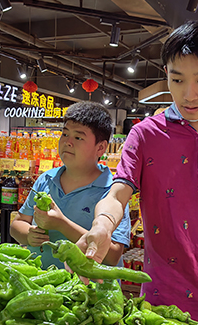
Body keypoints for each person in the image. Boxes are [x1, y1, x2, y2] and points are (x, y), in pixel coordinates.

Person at [76, 19, 198, 325]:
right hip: (160, 292)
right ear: (166, 75)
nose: (188, 95)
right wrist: (102, 226)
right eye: (177, 80)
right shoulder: (144, 135)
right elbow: (118, 192)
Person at [10, 101, 130, 269]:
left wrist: (61, 224)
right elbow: (18, 223)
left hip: (87, 290)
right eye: (65, 134)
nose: (68, 142)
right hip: (41, 284)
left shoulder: (113, 191)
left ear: (101, 147)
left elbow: (113, 255)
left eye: (78, 137)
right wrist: (28, 235)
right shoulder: (46, 179)